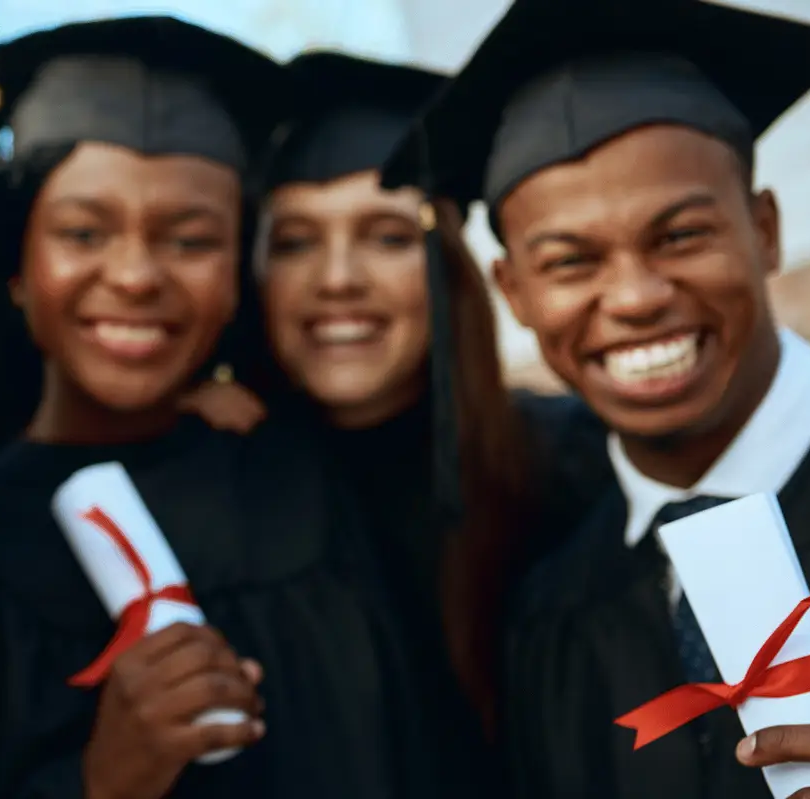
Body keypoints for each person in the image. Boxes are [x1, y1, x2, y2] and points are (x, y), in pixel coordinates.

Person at [0, 17, 441, 798]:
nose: (138, 276)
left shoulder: (307, 472)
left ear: (234, 279)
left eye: (190, 239)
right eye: (83, 231)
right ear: (16, 268)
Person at [382, 0, 810, 795]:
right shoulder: (550, 618)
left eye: (681, 236)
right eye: (570, 262)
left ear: (764, 230)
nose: (636, 297)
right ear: (513, 292)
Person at [233, 50, 615, 794]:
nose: (338, 277)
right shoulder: (220, 504)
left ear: (449, 267)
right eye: (295, 241)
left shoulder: (577, 467)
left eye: (387, 235)